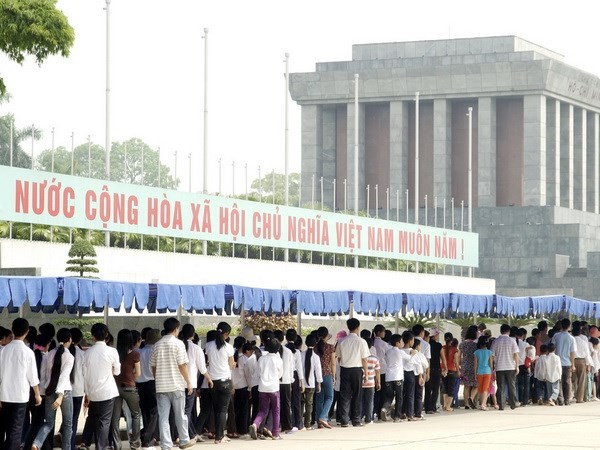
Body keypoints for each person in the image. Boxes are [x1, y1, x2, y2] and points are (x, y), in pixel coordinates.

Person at [150, 318, 197, 450]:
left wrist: (158, 378)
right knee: (180, 414)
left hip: (161, 387)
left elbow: (153, 366)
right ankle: (183, 440)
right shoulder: (178, 344)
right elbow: (182, 365)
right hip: (176, 385)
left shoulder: (157, 345)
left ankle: (166, 445)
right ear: (176, 329)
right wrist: (189, 382)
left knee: (163, 417)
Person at [0, 318, 42, 450]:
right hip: (20, 396)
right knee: (16, 429)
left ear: (12, 330)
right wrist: (37, 394)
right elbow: (33, 377)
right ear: (27, 332)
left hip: (4, 395)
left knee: (5, 427)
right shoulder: (28, 352)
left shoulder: (3, 351)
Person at [32, 328, 74, 450]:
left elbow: (45, 375)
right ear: (69, 339)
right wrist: (60, 396)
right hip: (64, 393)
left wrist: (44, 391)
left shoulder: (50, 353)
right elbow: (64, 377)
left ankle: (37, 443)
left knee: (49, 423)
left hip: (50, 391)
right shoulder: (69, 356)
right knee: (68, 424)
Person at [83, 323, 121, 450]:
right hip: (108, 391)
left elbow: (85, 375)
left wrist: (87, 393)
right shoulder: (112, 351)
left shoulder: (87, 353)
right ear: (106, 335)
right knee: (104, 421)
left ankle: (87, 442)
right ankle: (101, 446)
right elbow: (117, 372)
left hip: (93, 391)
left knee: (94, 417)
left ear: (93, 336)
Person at [335, 318, 370, 427]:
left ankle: (344, 420)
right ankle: (356, 420)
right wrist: (366, 374)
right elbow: (365, 359)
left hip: (345, 370)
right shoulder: (361, 341)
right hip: (357, 370)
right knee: (357, 395)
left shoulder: (341, 341)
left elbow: (338, 358)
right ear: (358, 327)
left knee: (344, 395)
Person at [111, 329, 142, 450]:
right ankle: (135, 443)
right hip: (129, 388)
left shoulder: (114, 353)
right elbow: (138, 373)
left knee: (115, 418)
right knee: (136, 415)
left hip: (115, 388)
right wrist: (130, 379)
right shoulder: (135, 354)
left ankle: (116, 445)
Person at [249, 335, 284, 440]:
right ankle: (275, 433)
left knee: (262, 410)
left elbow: (258, 373)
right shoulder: (279, 360)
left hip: (262, 388)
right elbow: (280, 374)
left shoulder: (262, 359)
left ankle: (255, 424)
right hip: (274, 388)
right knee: (276, 410)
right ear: (278, 348)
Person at [180, 324, 211, 441]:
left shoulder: (179, 346)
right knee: (187, 411)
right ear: (193, 335)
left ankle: (188, 434)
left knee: (180, 411)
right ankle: (188, 435)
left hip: (178, 383)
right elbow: (202, 368)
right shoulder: (196, 349)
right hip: (190, 383)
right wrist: (209, 378)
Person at [205, 321, 234, 444]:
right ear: (226, 334)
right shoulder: (228, 347)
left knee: (217, 409)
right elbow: (231, 365)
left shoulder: (208, 345)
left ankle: (218, 434)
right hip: (225, 381)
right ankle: (219, 437)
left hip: (212, 382)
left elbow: (207, 361)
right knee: (222, 410)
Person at [380, 334, 415, 422]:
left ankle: (384, 408)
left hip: (388, 377)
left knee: (389, 396)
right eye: (401, 341)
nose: (402, 343)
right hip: (398, 377)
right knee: (399, 397)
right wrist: (412, 353)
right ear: (397, 342)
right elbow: (408, 358)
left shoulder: (388, 352)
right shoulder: (400, 352)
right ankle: (397, 417)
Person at [136, 329, 160, 450]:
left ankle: (145, 436)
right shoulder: (155, 351)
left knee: (145, 411)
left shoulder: (139, 351)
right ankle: (148, 438)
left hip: (140, 384)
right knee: (154, 412)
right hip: (152, 383)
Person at [491, 324, 519, 410]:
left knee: (501, 386)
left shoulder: (495, 341)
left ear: (500, 331)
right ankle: (513, 403)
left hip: (499, 367)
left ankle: (501, 405)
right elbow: (516, 355)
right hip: (510, 366)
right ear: (509, 331)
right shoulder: (512, 341)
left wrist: (492, 368)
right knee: (512, 385)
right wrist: (517, 366)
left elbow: (492, 355)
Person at [314, 326, 335, 429]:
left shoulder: (314, 348)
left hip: (317, 376)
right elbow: (333, 364)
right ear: (327, 335)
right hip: (327, 374)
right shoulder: (330, 347)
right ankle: (323, 417)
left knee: (319, 399)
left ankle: (319, 421)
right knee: (330, 397)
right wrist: (334, 376)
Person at [551, 318, 576, 406]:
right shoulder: (571, 338)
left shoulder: (556, 336)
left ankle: (560, 399)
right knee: (567, 382)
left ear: (561, 325)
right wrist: (573, 364)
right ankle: (567, 400)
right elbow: (572, 352)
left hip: (557, 362)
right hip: (567, 363)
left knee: (559, 381)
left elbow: (552, 349)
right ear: (569, 326)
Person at [424, 328, 444, 414]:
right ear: (434, 335)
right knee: (435, 389)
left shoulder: (425, 344)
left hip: (427, 368)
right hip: (436, 369)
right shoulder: (439, 345)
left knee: (428, 389)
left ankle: (427, 407)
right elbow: (443, 357)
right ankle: (433, 407)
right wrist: (445, 367)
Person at [361, 337, 380, 424]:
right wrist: (378, 382)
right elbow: (377, 371)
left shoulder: (359, 358)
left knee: (360, 400)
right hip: (371, 383)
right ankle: (369, 419)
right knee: (370, 401)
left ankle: (359, 416)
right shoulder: (374, 358)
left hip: (360, 382)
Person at [459, 326, 478, 409]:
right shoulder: (475, 345)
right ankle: (472, 397)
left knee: (466, 386)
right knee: (476, 384)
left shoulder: (462, 344)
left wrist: (460, 364)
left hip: (465, 365)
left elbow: (459, 355)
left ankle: (466, 404)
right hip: (473, 366)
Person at [473, 335, 493, 410]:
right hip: (487, 371)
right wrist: (493, 373)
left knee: (480, 389)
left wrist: (475, 374)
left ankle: (481, 403)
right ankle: (483, 404)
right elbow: (491, 364)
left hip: (479, 372)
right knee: (486, 388)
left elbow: (475, 365)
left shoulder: (476, 352)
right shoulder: (489, 352)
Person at [441, 334, 459, 412]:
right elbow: (456, 362)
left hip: (444, 370)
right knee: (451, 389)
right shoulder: (455, 349)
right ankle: (448, 406)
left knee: (445, 388)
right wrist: (458, 371)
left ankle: (445, 405)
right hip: (452, 370)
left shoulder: (442, 348)